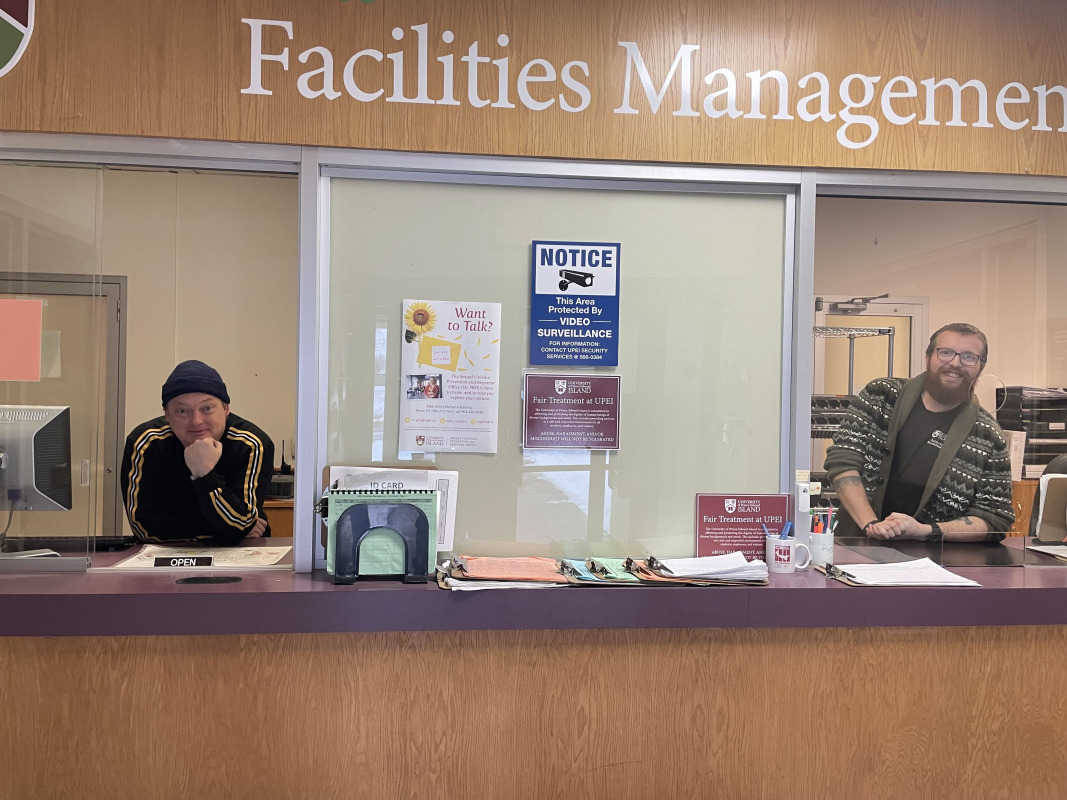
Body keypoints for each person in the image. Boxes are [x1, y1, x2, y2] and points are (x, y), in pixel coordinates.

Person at [824, 322, 1014, 542]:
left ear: (980, 367)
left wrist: (925, 531)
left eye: (969, 357)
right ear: (928, 357)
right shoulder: (881, 396)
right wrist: (871, 524)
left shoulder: (988, 436)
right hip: (855, 545)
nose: (955, 363)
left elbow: (994, 519)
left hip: (934, 558)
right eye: (945, 352)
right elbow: (843, 460)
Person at [121, 360, 274, 545]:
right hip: (168, 554)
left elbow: (241, 524)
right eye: (182, 411)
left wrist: (204, 474)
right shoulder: (145, 443)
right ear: (167, 414)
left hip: (244, 552)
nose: (196, 421)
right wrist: (223, 529)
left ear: (226, 408)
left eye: (207, 408)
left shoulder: (250, 444)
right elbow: (144, 529)